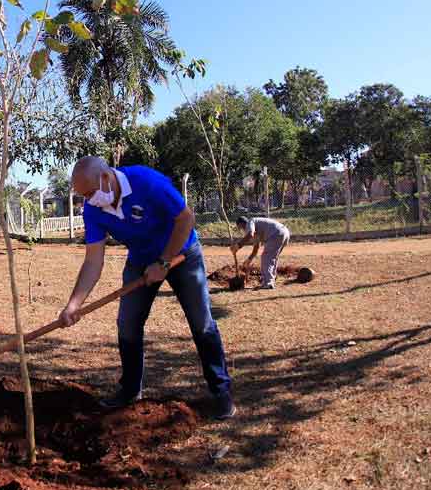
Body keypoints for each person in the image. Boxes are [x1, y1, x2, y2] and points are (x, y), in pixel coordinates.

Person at [57, 156, 235, 419]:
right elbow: (93, 260)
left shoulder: (147, 182)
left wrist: (163, 262)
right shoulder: (93, 210)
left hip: (182, 254)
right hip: (140, 261)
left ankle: (221, 392)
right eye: (84, 196)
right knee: (128, 324)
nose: (90, 200)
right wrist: (74, 304)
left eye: (91, 193)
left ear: (106, 177)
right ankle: (129, 390)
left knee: (202, 322)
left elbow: (186, 219)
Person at [231, 216, 291, 290]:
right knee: (273, 257)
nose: (241, 230)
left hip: (276, 234)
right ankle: (272, 279)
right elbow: (256, 248)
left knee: (266, 257)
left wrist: (237, 246)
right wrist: (249, 260)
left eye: (239, 228)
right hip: (284, 233)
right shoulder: (256, 227)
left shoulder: (250, 222)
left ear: (240, 224)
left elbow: (250, 234)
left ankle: (267, 283)